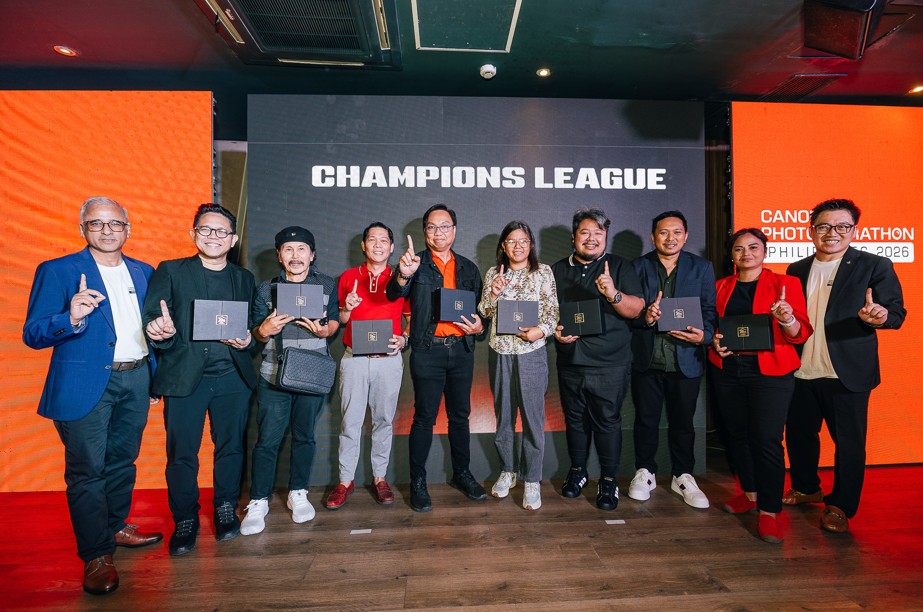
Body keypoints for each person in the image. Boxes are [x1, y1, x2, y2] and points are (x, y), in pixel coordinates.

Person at [23, 197, 162, 595]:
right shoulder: (58, 270)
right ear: (82, 228)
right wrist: (70, 317)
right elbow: (33, 333)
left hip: (135, 379)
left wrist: (157, 363)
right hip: (83, 386)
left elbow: (152, 327)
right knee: (87, 472)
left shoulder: (144, 272)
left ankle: (115, 526)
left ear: (127, 229)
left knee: (122, 462)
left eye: (115, 223)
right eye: (96, 223)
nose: (106, 230)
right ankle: (96, 555)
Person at [783, 198, 906, 534]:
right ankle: (806, 487)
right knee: (799, 435)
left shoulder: (874, 265)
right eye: (824, 226)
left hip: (846, 372)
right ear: (811, 230)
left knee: (849, 444)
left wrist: (879, 316)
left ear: (854, 230)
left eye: (842, 226)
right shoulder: (796, 269)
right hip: (800, 369)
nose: (832, 233)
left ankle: (841, 506)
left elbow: (895, 313)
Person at [142, 204, 256, 556]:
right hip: (184, 377)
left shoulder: (244, 278)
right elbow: (153, 318)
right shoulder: (170, 270)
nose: (213, 237)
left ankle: (225, 507)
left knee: (231, 447)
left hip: (233, 377)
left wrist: (248, 340)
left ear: (233, 239)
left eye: (222, 231)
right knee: (181, 453)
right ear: (193, 234)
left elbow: (251, 326)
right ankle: (185, 519)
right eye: (205, 230)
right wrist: (159, 330)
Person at [709, 228, 812, 543]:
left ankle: (769, 510)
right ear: (732, 255)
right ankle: (750, 493)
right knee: (737, 435)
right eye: (739, 249)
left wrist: (786, 318)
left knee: (766, 440)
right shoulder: (720, 286)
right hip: (728, 369)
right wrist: (715, 342)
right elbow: (715, 327)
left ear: (764, 251)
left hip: (771, 371)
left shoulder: (785, 283)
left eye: (753, 247)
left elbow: (800, 333)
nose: (746, 254)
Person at [239, 226, 340, 534]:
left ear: (312, 254)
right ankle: (259, 499)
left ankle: (299, 492)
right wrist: (263, 331)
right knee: (267, 440)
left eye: (301, 249)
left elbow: (334, 320)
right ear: (279, 256)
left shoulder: (326, 284)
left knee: (305, 436)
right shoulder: (266, 288)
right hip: (274, 375)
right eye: (288, 250)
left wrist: (326, 330)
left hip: (312, 373)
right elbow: (255, 333)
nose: (295, 256)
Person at [386, 204, 486, 512]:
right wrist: (403, 275)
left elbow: (481, 312)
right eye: (431, 227)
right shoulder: (414, 264)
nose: (438, 232)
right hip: (428, 350)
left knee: (460, 416)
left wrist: (480, 326)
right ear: (424, 232)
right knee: (424, 417)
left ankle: (461, 473)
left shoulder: (468, 268)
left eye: (444, 227)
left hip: (461, 350)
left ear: (454, 231)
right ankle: (418, 481)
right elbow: (393, 294)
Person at [552, 208, 645, 510]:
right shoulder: (555, 270)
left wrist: (613, 293)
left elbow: (637, 309)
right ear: (573, 237)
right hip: (570, 361)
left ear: (606, 237)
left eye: (598, 233)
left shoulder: (619, 266)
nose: (591, 238)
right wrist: (556, 332)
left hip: (610, 363)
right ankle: (578, 471)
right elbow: (546, 313)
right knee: (575, 420)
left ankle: (608, 479)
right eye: (585, 232)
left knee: (607, 421)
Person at [629, 211, 718, 509]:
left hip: (686, 359)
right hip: (647, 359)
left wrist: (704, 336)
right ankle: (645, 471)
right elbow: (627, 312)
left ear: (686, 235)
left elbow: (709, 310)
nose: (670, 238)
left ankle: (683, 475)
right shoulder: (637, 267)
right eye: (663, 232)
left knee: (683, 422)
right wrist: (645, 317)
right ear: (653, 236)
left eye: (677, 232)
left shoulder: (701, 268)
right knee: (645, 420)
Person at [325, 222, 408, 510]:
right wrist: (346, 308)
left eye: (383, 240)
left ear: (392, 247)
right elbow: (341, 320)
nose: (377, 245)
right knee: (350, 421)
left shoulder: (401, 278)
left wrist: (404, 339)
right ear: (363, 245)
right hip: (355, 359)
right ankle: (345, 480)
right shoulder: (348, 277)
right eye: (372, 239)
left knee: (384, 420)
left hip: (388, 361)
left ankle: (380, 478)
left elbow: (410, 318)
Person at [478, 221, 559, 511]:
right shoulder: (493, 273)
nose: (518, 246)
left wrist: (540, 331)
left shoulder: (543, 272)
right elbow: (484, 311)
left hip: (532, 352)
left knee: (533, 417)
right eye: (512, 241)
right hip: (500, 351)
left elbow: (553, 313)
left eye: (523, 240)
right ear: (504, 245)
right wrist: (493, 294)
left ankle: (532, 479)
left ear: (530, 244)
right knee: (504, 415)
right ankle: (508, 470)